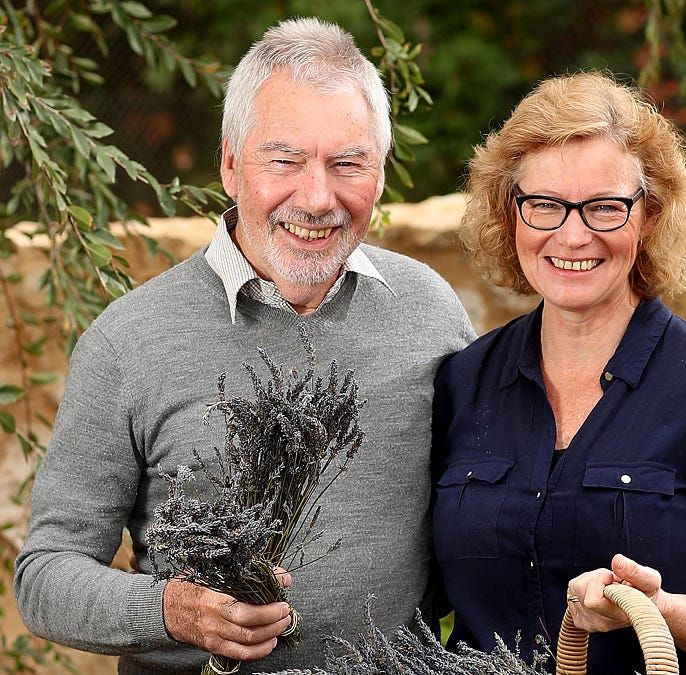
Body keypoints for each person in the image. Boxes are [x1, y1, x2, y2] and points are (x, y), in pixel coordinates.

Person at [14, 17, 474, 674]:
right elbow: (45, 578)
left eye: (348, 163)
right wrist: (172, 608)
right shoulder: (128, 342)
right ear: (230, 164)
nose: (317, 198)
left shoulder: (431, 310)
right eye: (284, 160)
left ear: (380, 171)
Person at [432, 72, 686, 674]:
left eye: (605, 207)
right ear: (511, 214)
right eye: (545, 205)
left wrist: (663, 609)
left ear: (650, 215)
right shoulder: (463, 384)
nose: (572, 234)